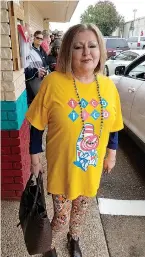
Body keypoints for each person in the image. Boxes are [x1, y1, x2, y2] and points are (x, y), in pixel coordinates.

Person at [26, 24, 124, 257]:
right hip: (62, 168)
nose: (86, 53)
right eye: (78, 47)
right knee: (61, 216)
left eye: (92, 46)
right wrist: (34, 158)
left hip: (90, 167)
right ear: (68, 51)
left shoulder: (108, 87)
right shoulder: (53, 83)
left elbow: (114, 126)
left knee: (81, 211)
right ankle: (49, 245)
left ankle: (75, 237)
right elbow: (37, 125)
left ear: (100, 50)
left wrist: (112, 153)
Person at [25, 30, 50, 105]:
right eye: (38, 38)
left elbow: (47, 65)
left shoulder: (43, 51)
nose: (39, 40)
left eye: (41, 39)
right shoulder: (29, 51)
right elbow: (25, 69)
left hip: (43, 80)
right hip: (33, 83)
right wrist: (36, 72)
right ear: (34, 38)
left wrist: (47, 72)